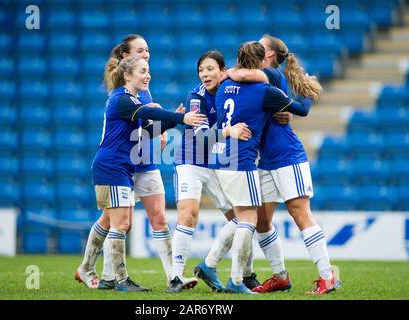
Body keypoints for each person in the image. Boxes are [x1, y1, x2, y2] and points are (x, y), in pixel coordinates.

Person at [200, 34, 340, 295]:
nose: (256, 43)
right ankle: (280, 276)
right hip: (265, 161)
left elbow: (298, 106)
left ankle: (327, 275)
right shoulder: (255, 81)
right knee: (261, 220)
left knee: (300, 215)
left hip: (287, 156)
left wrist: (228, 72)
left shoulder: (271, 77)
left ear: (270, 56)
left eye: (261, 44)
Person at [75, 35, 198, 290]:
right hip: (117, 165)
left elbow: (147, 127)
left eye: (147, 52)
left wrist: (171, 121)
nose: (146, 56)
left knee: (150, 220)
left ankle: (172, 278)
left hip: (135, 162)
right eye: (140, 53)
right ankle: (102, 274)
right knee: (116, 222)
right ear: (126, 63)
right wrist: (178, 119)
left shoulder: (139, 89)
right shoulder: (123, 96)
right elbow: (147, 113)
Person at [167, 50, 253, 293]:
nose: (204, 74)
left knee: (242, 218)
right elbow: (202, 137)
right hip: (190, 161)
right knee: (188, 214)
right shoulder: (197, 97)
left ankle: (238, 273)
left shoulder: (232, 88)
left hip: (216, 163)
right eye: (201, 70)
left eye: (209, 68)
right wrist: (228, 131)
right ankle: (175, 278)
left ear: (223, 70)